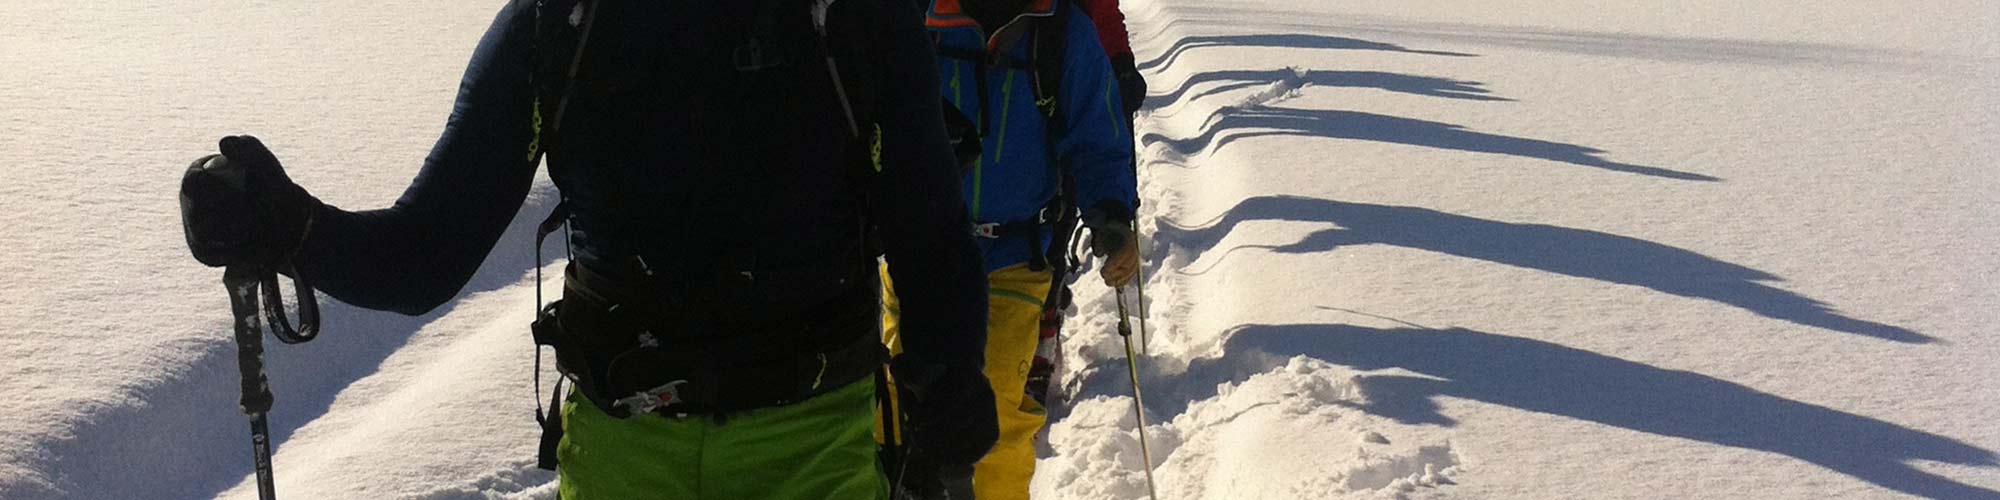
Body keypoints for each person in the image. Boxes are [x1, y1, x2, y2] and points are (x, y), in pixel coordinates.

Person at [178, 1, 997, 499]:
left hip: (754, 452)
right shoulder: (555, 23)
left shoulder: (852, 17)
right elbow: (423, 257)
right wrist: (289, 227)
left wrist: (952, 371)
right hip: (674, 451)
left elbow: (930, 240)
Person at [879, 1, 1139, 499]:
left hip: (1014, 256)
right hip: (918, 250)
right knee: (893, 407)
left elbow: (1097, 138)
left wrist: (1110, 216)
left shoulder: (1062, 34)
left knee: (992, 413)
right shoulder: (912, 18)